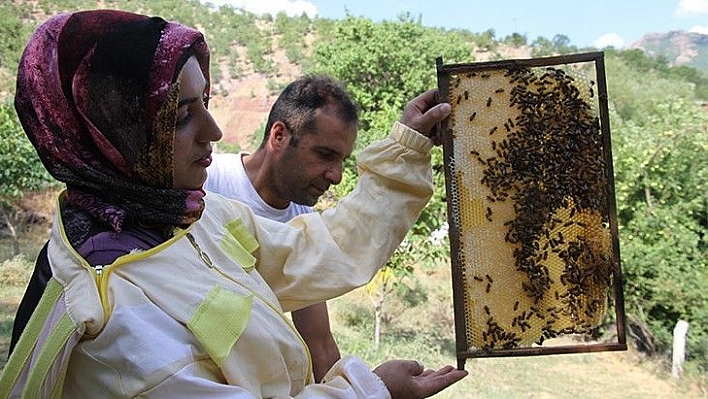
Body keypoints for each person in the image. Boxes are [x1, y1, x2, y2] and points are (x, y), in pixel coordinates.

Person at [1, 9, 467, 398]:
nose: (214, 130)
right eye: (182, 115)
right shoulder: (113, 307)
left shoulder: (190, 217)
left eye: (204, 101)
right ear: (115, 132)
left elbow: (316, 250)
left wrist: (406, 148)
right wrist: (372, 390)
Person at [204, 74, 358, 382]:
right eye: (325, 155)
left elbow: (319, 343)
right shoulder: (207, 182)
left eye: (342, 160)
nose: (337, 176)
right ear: (279, 136)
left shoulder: (301, 221)